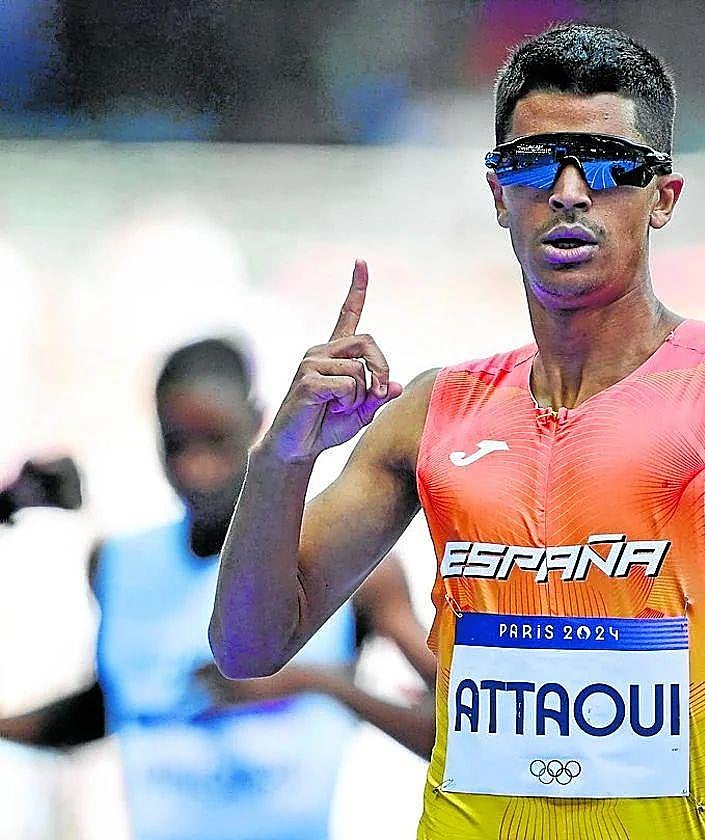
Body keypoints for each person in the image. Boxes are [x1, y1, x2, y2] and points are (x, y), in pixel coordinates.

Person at [209, 23, 705, 840]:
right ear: (498, 192)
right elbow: (248, 645)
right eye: (538, 163)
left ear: (664, 198)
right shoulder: (433, 412)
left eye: (612, 166)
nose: (572, 192)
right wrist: (281, 459)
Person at [0, 337, 436, 840]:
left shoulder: (340, 563)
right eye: (176, 445)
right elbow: (107, 708)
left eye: (216, 442)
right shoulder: (116, 564)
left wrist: (319, 684)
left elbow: (453, 725)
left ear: (257, 423)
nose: (195, 468)